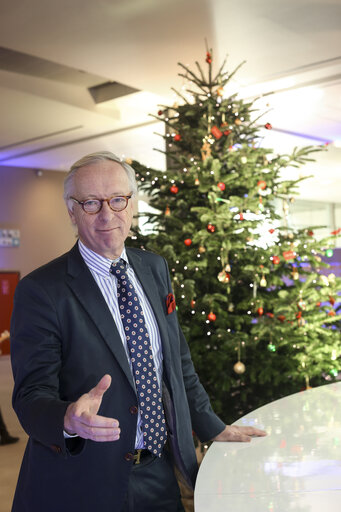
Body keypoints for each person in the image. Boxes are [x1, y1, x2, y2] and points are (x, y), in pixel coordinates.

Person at [10, 151, 266, 512]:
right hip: (84, 481)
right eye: (90, 203)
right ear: (71, 211)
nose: (107, 214)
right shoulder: (42, 290)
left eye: (117, 200)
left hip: (159, 472)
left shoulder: (154, 267)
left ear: (131, 204)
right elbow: (30, 395)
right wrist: (67, 419)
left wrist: (212, 426)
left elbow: (176, 362)